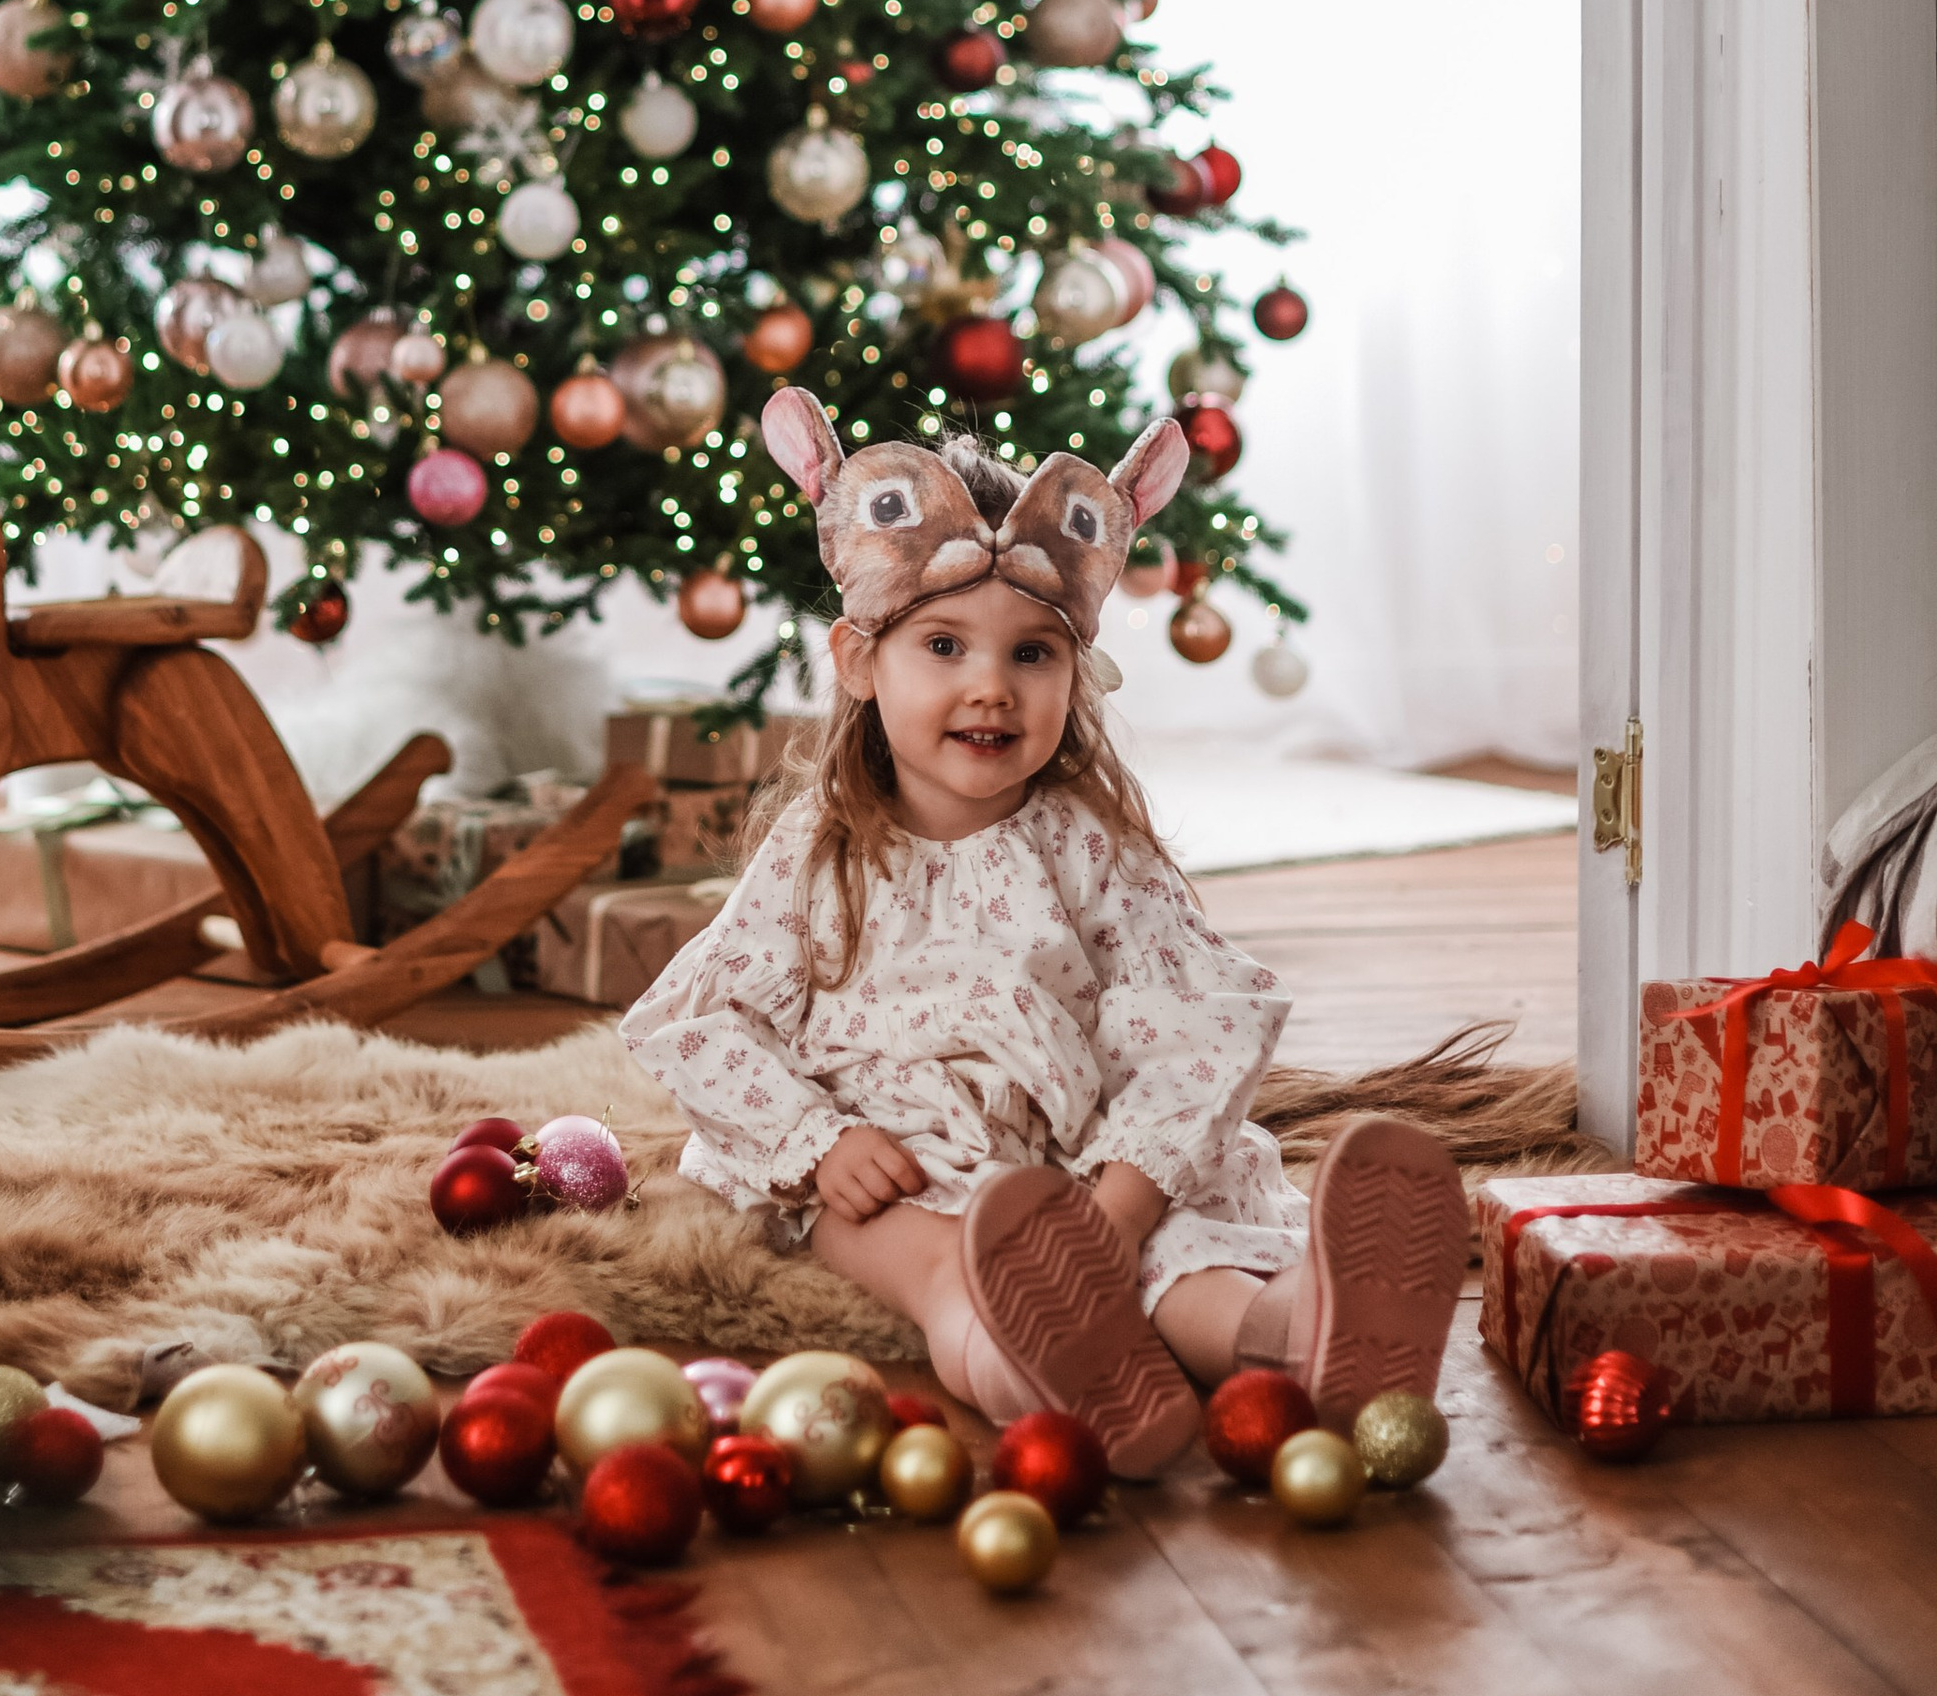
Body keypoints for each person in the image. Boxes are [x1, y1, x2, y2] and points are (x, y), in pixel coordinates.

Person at [621, 389, 1469, 1475]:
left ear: (1075, 673)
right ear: (856, 659)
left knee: (1184, 1259)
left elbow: (1202, 1019)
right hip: (891, 1157)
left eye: (1031, 654)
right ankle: (1052, 1373)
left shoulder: (1093, 848)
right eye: (943, 644)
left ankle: (1306, 1330)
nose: (990, 686)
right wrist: (813, 1141)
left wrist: (1116, 1206)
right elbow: (700, 1019)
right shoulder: (822, 847)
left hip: (1084, 1155)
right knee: (944, 1268)